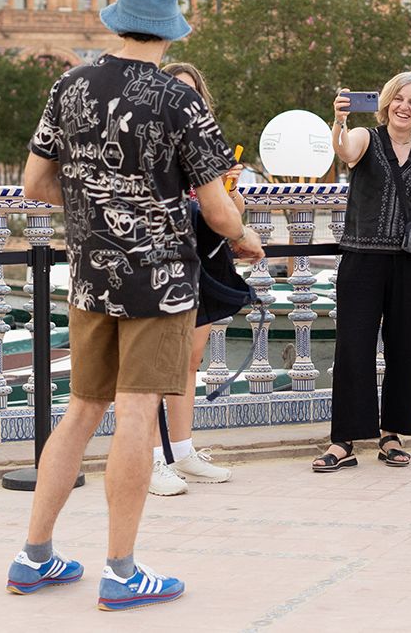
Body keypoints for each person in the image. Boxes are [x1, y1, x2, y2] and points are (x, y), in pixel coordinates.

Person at [6, 0, 264, 611]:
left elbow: (34, 183)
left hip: (90, 277)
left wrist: (96, 205)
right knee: (136, 414)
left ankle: (33, 557)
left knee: (80, 411)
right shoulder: (181, 101)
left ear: (118, 20)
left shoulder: (69, 85)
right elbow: (217, 208)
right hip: (160, 283)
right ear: (171, 29)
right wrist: (245, 237)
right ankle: (121, 571)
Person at [312, 72, 411, 472]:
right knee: (353, 349)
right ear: (387, 102)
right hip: (362, 260)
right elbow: (344, 151)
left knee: (404, 351)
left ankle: (391, 434)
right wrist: (339, 121)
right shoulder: (364, 138)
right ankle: (343, 441)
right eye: (399, 99)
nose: (404, 107)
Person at [148, 61, 244, 497]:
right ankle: (150, 458)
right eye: (174, 88)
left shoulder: (208, 144)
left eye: (190, 91)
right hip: (161, 260)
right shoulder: (146, 140)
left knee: (190, 359)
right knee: (155, 364)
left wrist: (230, 190)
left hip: (201, 258)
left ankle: (182, 451)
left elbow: (230, 213)